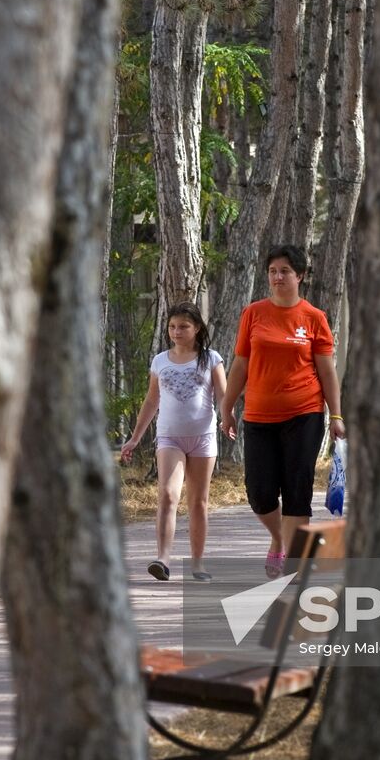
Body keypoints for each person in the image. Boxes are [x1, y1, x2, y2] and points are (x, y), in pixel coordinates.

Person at [220, 245, 345, 578]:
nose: (277, 277)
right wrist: (227, 405)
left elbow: (327, 370)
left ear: (300, 276)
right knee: (259, 492)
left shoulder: (314, 318)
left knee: (296, 488)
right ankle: (278, 539)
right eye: (273, 271)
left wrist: (336, 415)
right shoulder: (253, 314)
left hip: (304, 414)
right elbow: (241, 363)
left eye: (285, 271)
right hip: (259, 416)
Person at [121, 302, 227, 582]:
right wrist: (134, 438)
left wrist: (227, 420)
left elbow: (224, 396)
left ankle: (198, 564)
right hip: (169, 437)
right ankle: (163, 559)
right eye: (172, 327)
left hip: (203, 438)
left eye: (183, 326)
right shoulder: (160, 361)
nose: (176, 332)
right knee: (167, 495)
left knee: (198, 503)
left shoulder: (211, 359)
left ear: (197, 329)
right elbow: (151, 400)